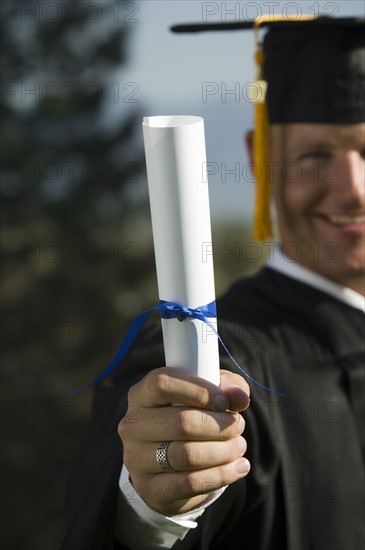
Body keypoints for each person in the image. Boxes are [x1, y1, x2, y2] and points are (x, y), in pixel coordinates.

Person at [60, 16, 365, 550]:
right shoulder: (211, 360)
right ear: (261, 159)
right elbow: (141, 495)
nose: (354, 190)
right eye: (316, 155)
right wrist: (152, 506)